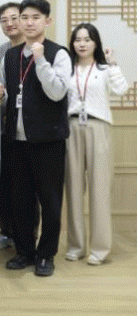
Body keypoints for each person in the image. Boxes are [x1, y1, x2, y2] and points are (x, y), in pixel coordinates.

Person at [1, 0, 71, 277]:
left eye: (35, 17)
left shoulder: (58, 53)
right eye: (24, 17)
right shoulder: (11, 56)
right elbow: (9, 95)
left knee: (50, 201)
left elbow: (57, 92)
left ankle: (46, 255)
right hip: (16, 140)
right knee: (20, 201)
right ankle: (24, 252)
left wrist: (40, 59)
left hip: (48, 141)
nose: (28, 23)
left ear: (47, 21)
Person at [65, 23, 128, 266]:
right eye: (77, 39)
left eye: (87, 39)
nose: (82, 44)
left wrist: (113, 64)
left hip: (98, 127)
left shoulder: (104, 69)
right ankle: (76, 245)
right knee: (73, 188)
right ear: (72, 43)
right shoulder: (67, 69)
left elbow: (121, 89)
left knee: (99, 189)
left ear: (96, 43)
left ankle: (100, 249)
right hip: (71, 128)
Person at [0, 2, 39, 250]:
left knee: (29, 188)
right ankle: (6, 231)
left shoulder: (36, 49)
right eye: (3, 20)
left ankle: (28, 236)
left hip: (32, 129)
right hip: (5, 127)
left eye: (14, 18)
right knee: (4, 186)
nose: (9, 24)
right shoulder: (1, 52)